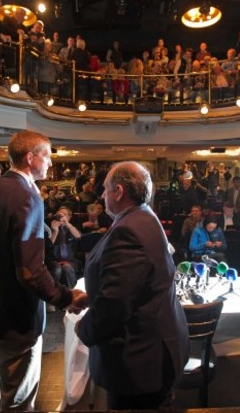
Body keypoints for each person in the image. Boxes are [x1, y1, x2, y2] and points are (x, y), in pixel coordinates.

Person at [0, 130, 87, 410]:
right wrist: (66, 297)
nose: (51, 164)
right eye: (48, 156)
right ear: (31, 157)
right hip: (12, 316)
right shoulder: (27, 196)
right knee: (17, 398)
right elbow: (30, 271)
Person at [76, 161, 189, 409]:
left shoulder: (128, 230)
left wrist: (83, 330)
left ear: (118, 191)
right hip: (150, 351)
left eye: (105, 189)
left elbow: (114, 306)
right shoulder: (143, 216)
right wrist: (92, 297)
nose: (103, 195)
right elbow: (133, 286)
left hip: (139, 359)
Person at [46, 206, 82, 288]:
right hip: (54, 260)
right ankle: (53, 294)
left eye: (64, 215)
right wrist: (55, 231)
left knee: (67, 268)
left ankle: (72, 294)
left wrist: (67, 224)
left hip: (71, 260)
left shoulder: (71, 228)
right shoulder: (51, 229)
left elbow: (79, 238)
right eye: (59, 215)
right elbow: (48, 246)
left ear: (69, 217)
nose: (61, 217)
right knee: (57, 269)